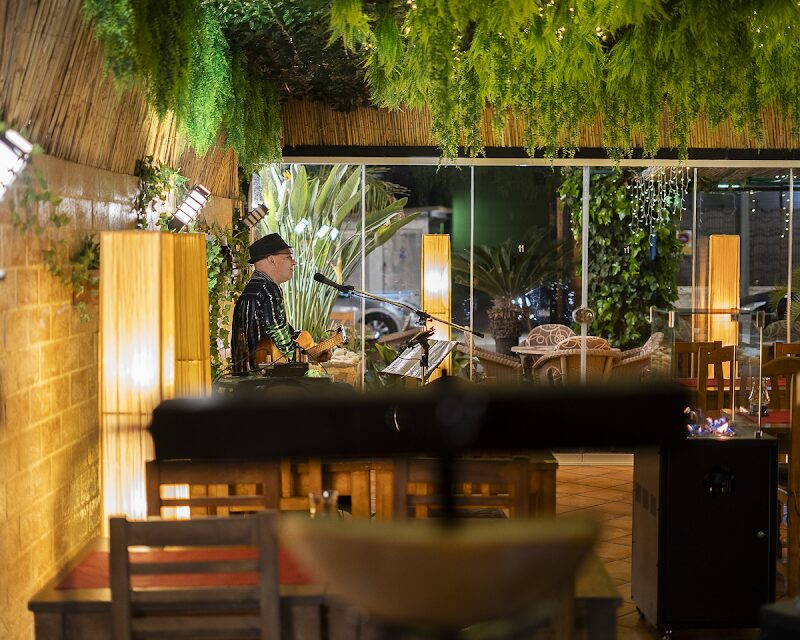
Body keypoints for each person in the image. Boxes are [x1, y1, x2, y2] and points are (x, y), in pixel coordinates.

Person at [231, 233, 330, 372]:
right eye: (288, 257)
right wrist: (307, 357)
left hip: (249, 375)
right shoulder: (268, 289)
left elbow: (276, 331)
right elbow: (281, 338)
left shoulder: (252, 289)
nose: (293, 262)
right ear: (271, 259)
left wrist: (312, 349)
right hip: (266, 377)